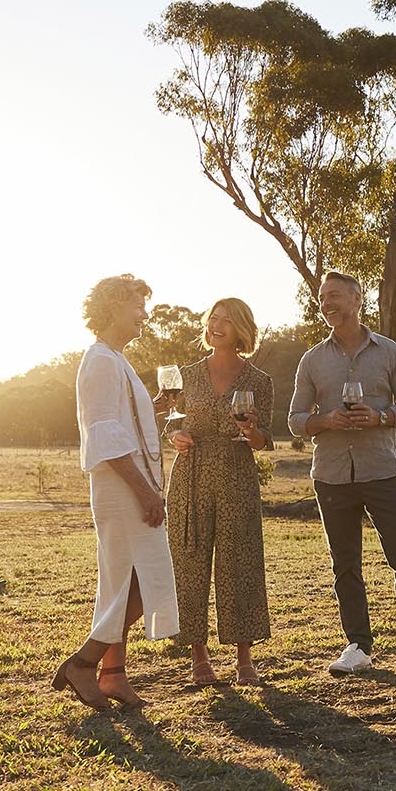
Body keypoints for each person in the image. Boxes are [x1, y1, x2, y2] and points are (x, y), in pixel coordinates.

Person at [289, 271, 396, 675]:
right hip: (330, 476)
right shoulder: (312, 360)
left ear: (356, 299)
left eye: (335, 296)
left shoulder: (389, 351)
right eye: (323, 297)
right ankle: (358, 647)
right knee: (345, 565)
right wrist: (325, 420)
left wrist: (381, 416)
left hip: (383, 472)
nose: (327, 303)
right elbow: (294, 421)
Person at [52, 274, 181, 710]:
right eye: (138, 305)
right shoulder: (101, 360)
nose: (145, 313)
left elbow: (119, 420)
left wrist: (154, 406)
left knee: (124, 581)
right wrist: (146, 491)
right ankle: (84, 663)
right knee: (142, 581)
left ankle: (113, 675)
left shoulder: (115, 359)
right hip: (121, 488)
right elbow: (104, 434)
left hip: (128, 485)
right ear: (113, 306)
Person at [165, 297, 273, 687]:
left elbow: (264, 440)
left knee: (240, 566)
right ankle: (198, 656)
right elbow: (172, 422)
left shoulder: (260, 381)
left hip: (236, 476)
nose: (216, 325)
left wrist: (252, 432)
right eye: (213, 318)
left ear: (242, 328)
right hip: (190, 474)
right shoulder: (186, 375)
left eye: (226, 320)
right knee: (190, 565)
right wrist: (176, 434)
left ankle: (245, 659)